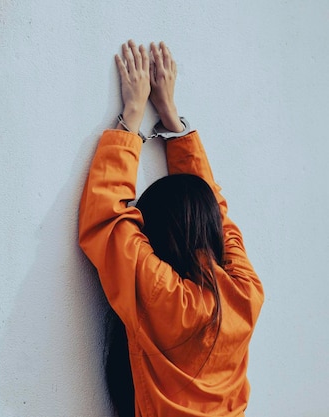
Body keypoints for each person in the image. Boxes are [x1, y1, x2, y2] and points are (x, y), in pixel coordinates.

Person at [78, 40, 264, 416]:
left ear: (156, 236)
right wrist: (172, 120)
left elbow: (109, 222)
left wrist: (131, 117)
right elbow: (218, 216)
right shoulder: (246, 294)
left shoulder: (168, 300)